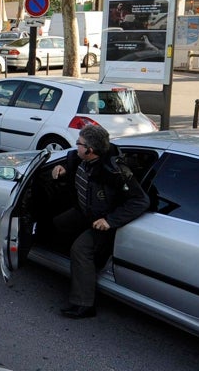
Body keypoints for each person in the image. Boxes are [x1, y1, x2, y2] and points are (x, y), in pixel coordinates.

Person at [50, 125, 149, 319]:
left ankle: (83, 304)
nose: (76, 146)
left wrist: (110, 221)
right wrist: (61, 170)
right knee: (58, 224)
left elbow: (140, 200)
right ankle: (80, 270)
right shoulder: (82, 160)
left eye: (79, 143)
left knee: (80, 250)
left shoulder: (114, 172)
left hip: (102, 223)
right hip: (85, 212)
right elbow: (75, 169)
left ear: (90, 150)